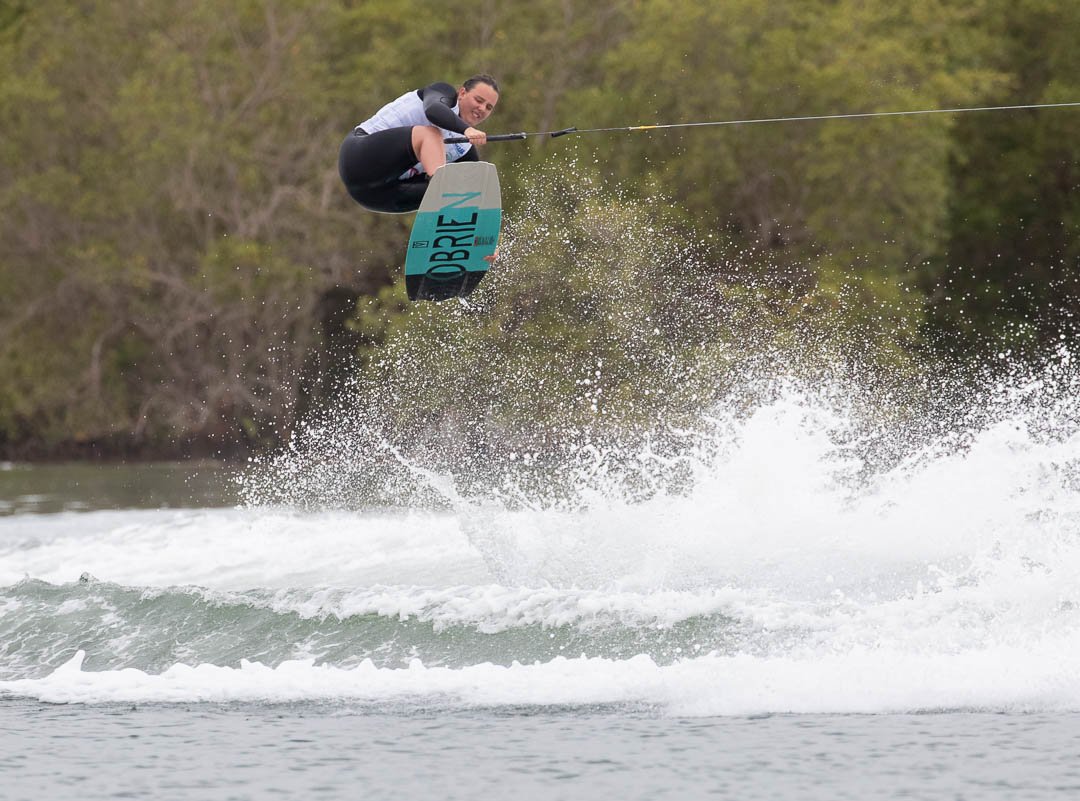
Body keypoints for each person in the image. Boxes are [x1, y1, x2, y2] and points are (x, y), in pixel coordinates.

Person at [339, 75, 500, 214]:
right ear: (462, 93)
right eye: (479, 100)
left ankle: (463, 235)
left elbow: (473, 191)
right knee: (430, 135)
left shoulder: (465, 148)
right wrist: (466, 130)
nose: (482, 108)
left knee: (467, 190)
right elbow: (433, 110)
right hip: (358, 158)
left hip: (375, 195)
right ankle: (441, 190)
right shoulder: (444, 93)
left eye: (489, 107)